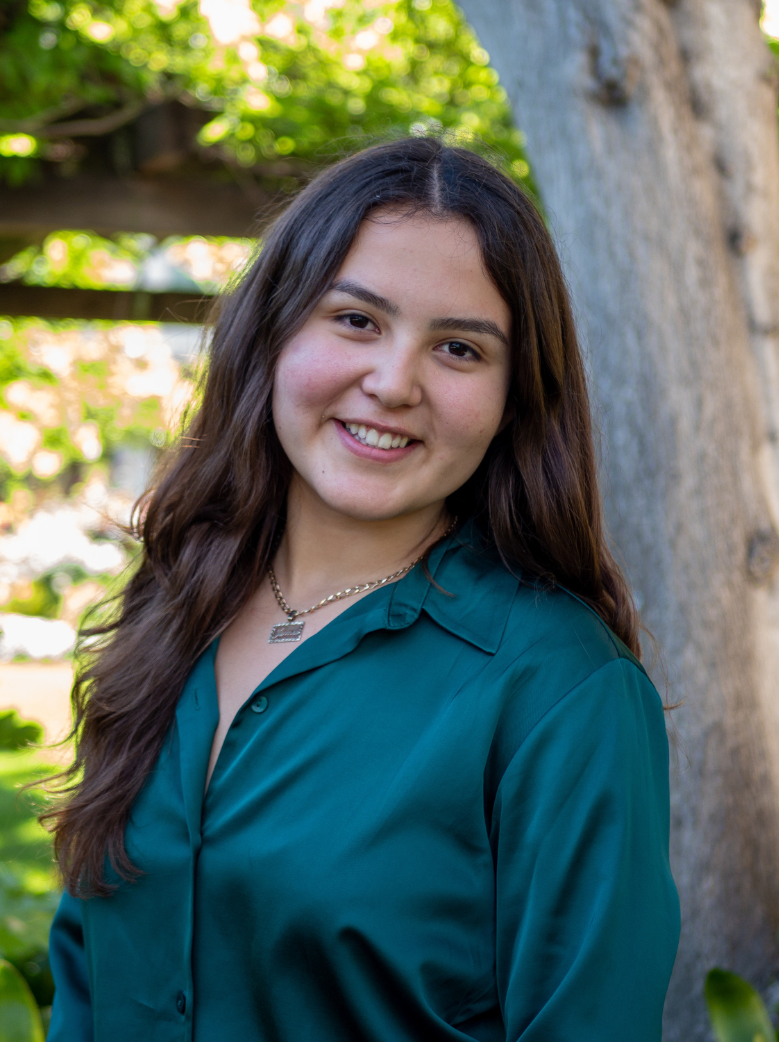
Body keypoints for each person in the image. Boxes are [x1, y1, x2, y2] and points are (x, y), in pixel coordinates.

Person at [44, 137, 680, 1042]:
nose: (391, 383)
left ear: (513, 399)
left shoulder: (560, 691)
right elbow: (88, 976)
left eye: (459, 348)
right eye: (356, 321)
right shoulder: (175, 610)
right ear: (273, 331)